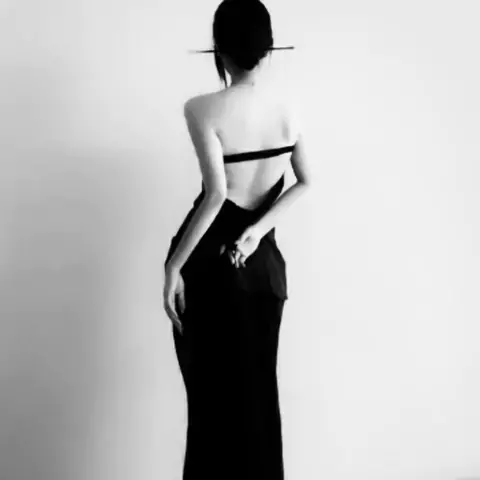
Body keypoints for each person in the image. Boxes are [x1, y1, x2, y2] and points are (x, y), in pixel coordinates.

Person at [163, 1, 311, 478]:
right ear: (269, 48)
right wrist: (256, 231)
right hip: (264, 271)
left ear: (219, 49)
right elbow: (306, 180)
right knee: (258, 401)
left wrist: (173, 267)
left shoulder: (200, 108)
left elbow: (216, 196)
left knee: (211, 408)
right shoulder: (289, 110)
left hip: (208, 269)